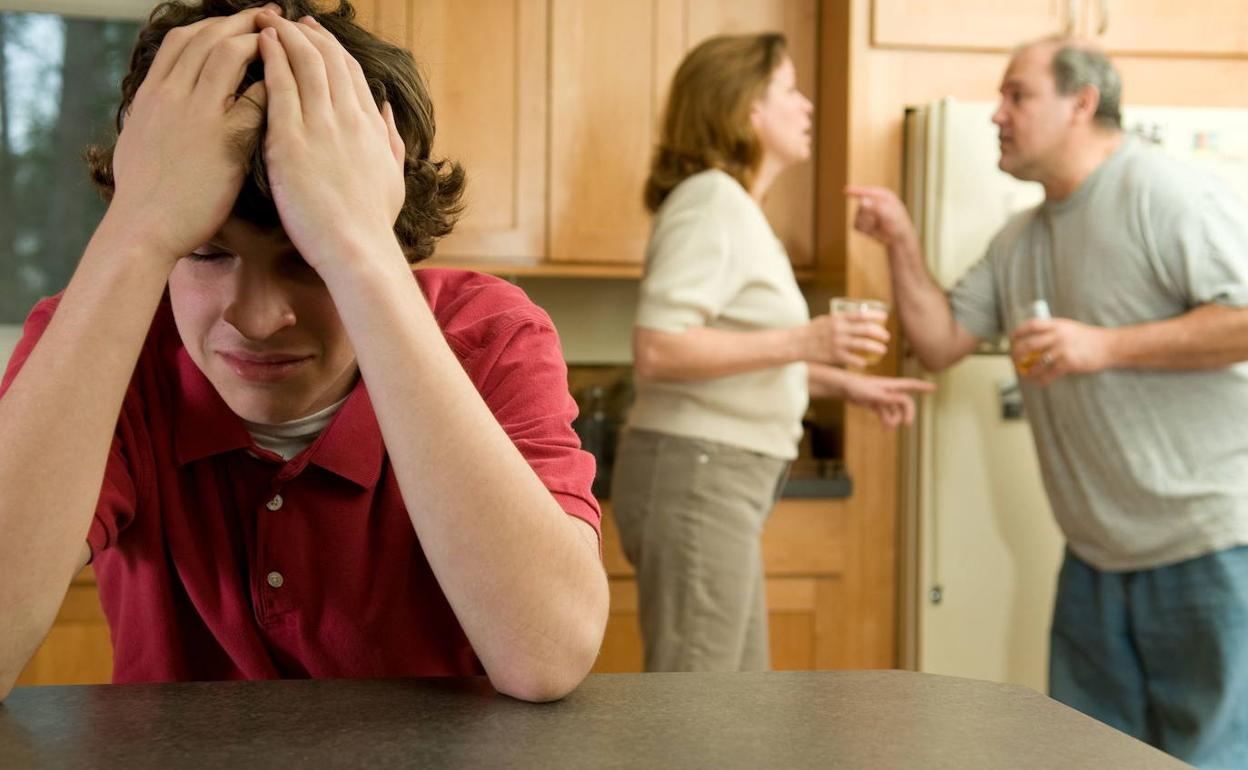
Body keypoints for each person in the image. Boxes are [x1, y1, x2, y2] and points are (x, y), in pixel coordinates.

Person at [0, 0, 608, 703]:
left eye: (310, 259)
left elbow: (546, 657)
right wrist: (139, 224)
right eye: (203, 251)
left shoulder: (487, 334)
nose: (258, 319)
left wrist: (358, 247)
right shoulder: (101, 339)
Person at [848, 36, 1248, 769]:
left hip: (1211, 547)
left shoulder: (1165, 193)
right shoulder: (1019, 240)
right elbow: (939, 344)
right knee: (1088, 755)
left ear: (1082, 104)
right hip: (1095, 555)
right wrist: (901, 241)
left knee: (1216, 758)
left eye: (1017, 95)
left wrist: (1104, 345)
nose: (995, 114)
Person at [610, 32, 934, 673]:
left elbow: (732, 352)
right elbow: (660, 348)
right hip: (699, 474)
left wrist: (844, 384)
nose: (807, 105)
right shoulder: (710, 202)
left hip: (715, 475)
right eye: (789, 89)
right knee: (700, 707)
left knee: (735, 699)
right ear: (747, 108)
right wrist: (807, 339)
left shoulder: (731, 207)